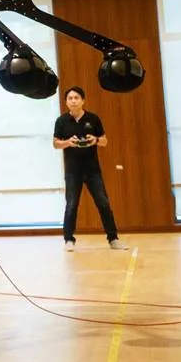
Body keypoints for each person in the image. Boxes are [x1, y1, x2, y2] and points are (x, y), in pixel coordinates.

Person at [53, 86, 127, 251]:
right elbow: (55, 143)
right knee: (71, 204)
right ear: (66, 102)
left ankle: (113, 239)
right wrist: (68, 142)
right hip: (72, 171)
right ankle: (69, 240)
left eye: (76, 97)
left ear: (83, 100)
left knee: (103, 203)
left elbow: (105, 141)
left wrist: (95, 140)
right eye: (70, 98)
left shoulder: (93, 119)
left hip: (93, 170)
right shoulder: (61, 121)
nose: (73, 101)